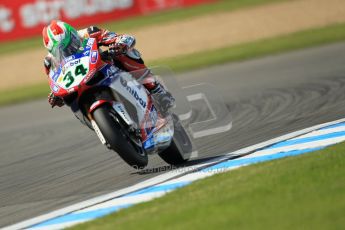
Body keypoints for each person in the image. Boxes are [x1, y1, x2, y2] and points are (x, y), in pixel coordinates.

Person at [42, 20, 174, 112]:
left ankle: (155, 88)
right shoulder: (49, 62)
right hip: (81, 86)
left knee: (124, 53)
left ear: (74, 34)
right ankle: (102, 125)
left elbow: (125, 38)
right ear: (52, 51)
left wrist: (120, 44)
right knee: (71, 102)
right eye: (62, 50)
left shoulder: (90, 32)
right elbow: (56, 82)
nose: (69, 50)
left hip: (105, 69)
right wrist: (57, 96)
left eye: (71, 43)